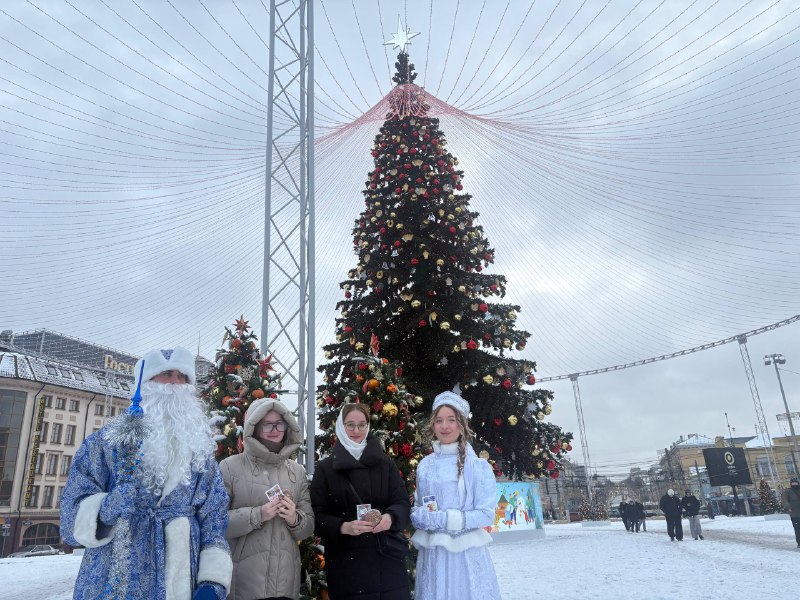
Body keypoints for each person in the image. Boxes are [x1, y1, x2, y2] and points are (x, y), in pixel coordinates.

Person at [60, 347, 232, 600]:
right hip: (116, 573)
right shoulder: (105, 442)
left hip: (181, 574)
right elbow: (71, 509)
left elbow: (214, 520)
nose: (175, 383)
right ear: (146, 384)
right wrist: (106, 507)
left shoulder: (201, 452)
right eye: (167, 374)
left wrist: (212, 581)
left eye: (183, 377)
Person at [310, 403, 411, 599]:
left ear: (368, 426)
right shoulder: (326, 468)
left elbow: (402, 502)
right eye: (350, 425)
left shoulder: (385, 464)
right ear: (340, 426)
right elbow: (316, 515)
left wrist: (390, 518)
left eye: (362, 425)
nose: (356, 431)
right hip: (347, 566)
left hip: (387, 563)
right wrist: (343, 527)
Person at [220, 398, 314, 600]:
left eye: (279, 423)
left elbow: (308, 528)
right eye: (267, 424)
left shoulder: (296, 472)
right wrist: (258, 514)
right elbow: (216, 522)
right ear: (253, 427)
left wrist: (294, 519)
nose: (274, 429)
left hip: (285, 585)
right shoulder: (230, 467)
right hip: (243, 585)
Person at [411, 391, 501, 600]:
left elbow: (486, 515)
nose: (445, 426)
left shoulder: (478, 467)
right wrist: (418, 515)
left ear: (461, 425)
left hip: (466, 556)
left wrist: (446, 519)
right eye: (439, 420)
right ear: (433, 425)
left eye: (451, 420)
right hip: (434, 555)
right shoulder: (425, 466)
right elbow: (419, 503)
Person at [780, 476, 800, 548]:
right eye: (793, 482)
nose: (795, 484)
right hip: (794, 514)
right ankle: (799, 542)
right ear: (791, 483)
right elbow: (784, 500)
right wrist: (788, 507)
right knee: (798, 529)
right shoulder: (788, 491)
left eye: (796, 482)